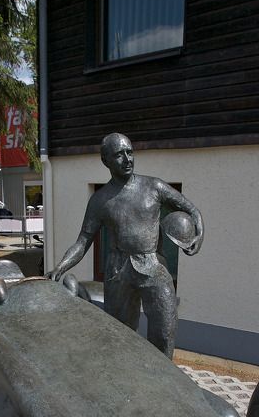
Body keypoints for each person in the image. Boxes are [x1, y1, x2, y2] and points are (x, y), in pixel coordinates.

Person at [49, 133, 204, 358]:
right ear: (106, 161)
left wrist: (198, 235)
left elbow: (192, 210)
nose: (127, 159)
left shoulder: (154, 186)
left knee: (165, 329)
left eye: (129, 152)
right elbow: (83, 241)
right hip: (118, 271)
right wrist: (61, 266)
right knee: (120, 336)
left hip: (153, 266)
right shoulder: (100, 200)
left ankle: (163, 381)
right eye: (119, 155)